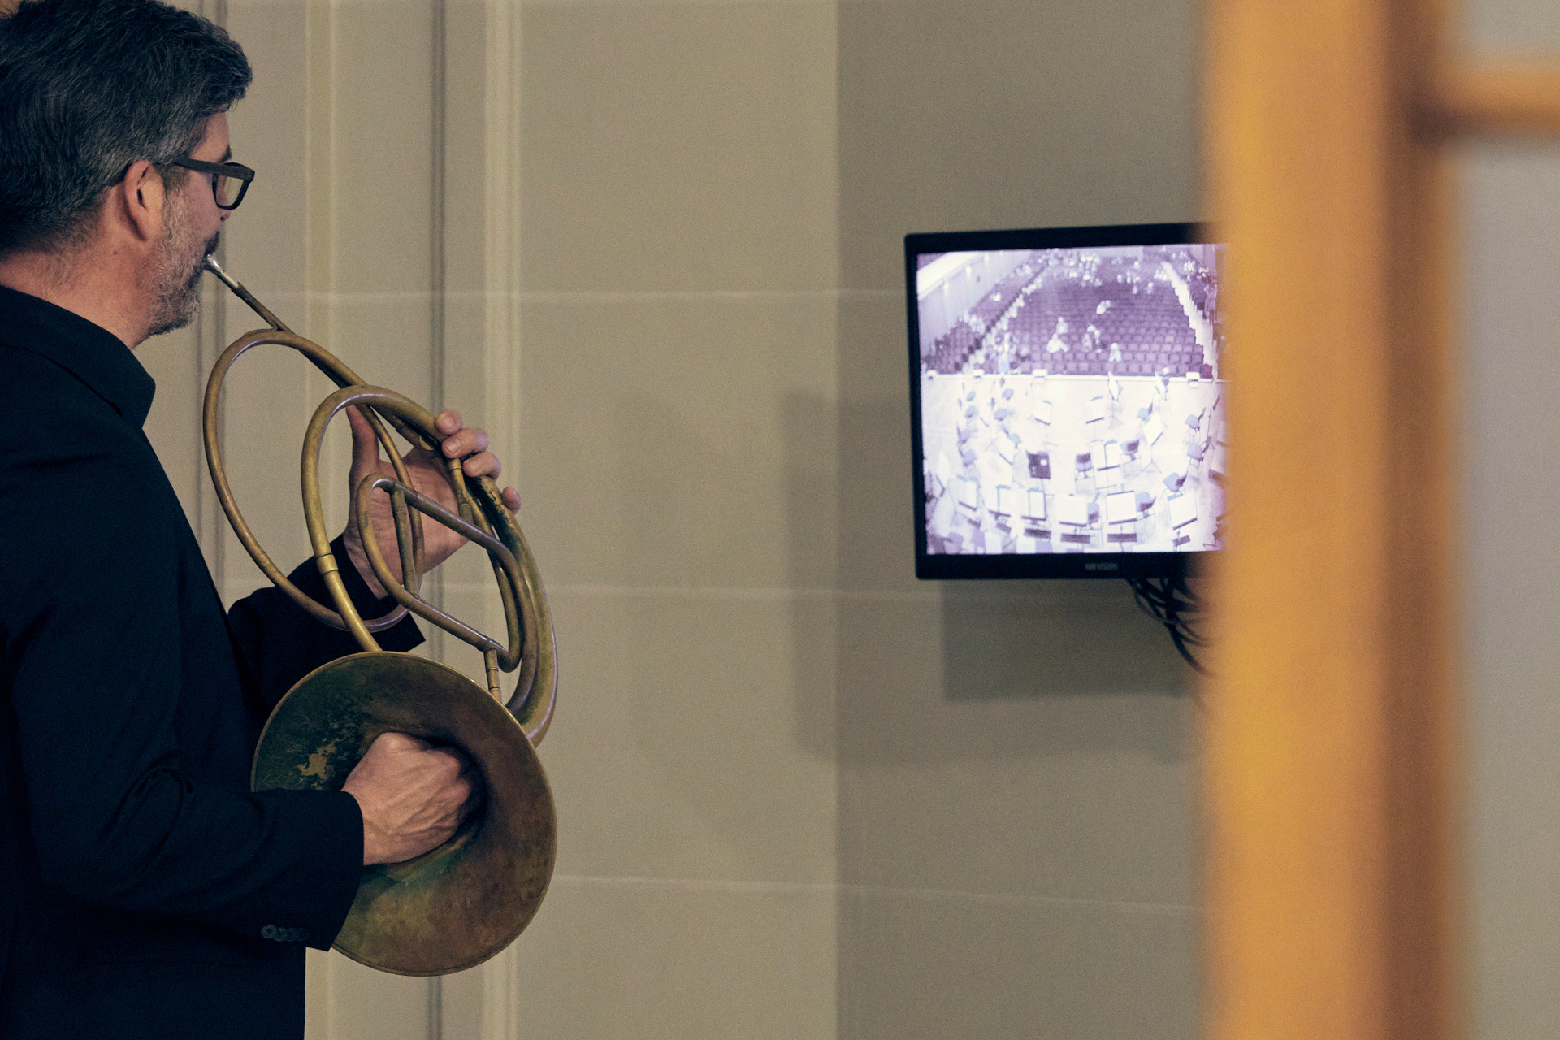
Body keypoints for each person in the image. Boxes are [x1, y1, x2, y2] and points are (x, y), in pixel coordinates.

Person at [0, 0, 519, 1035]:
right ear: (142, 194)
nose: (223, 212)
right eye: (217, 176)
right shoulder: (68, 449)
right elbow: (110, 828)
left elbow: (151, 716)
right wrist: (352, 827)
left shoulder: (44, 410)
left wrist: (370, 567)